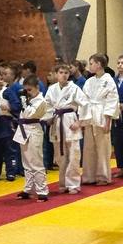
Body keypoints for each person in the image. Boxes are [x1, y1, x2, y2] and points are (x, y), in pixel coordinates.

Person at [44, 65, 85, 194]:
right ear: (56, 74)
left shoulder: (74, 88)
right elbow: (47, 106)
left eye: (66, 73)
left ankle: (73, 184)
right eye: (61, 72)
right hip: (57, 122)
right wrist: (48, 118)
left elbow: (85, 104)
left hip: (70, 120)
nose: (64, 75)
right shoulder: (51, 89)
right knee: (60, 156)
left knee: (74, 155)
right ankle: (63, 183)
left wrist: (79, 122)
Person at [81, 54, 118, 185]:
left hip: (102, 116)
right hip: (90, 116)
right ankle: (89, 176)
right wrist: (83, 119)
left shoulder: (109, 81)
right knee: (88, 148)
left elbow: (112, 102)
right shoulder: (89, 81)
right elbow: (84, 100)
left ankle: (103, 176)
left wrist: (108, 121)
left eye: (91, 63)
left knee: (102, 148)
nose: (90, 66)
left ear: (99, 64)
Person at [14, 75, 50, 201]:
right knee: (26, 162)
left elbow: (29, 113)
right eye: (26, 90)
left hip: (34, 130)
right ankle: (28, 189)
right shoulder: (30, 99)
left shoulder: (41, 101)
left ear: (37, 87)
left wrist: (24, 101)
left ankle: (42, 190)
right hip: (23, 129)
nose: (27, 92)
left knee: (36, 162)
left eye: (30, 90)